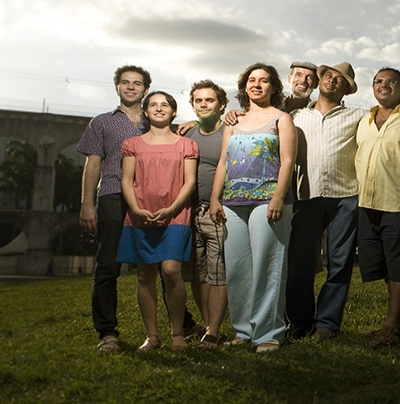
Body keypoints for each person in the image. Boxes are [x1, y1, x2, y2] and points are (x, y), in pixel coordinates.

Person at [210, 63, 297, 354]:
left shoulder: (282, 119)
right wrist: (214, 199)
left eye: (263, 80)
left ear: (274, 87)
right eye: (251, 80)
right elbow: (222, 162)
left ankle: (269, 333)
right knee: (237, 268)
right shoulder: (232, 121)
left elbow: (287, 162)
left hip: (268, 201)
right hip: (232, 202)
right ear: (244, 86)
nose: (256, 85)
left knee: (268, 266)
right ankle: (242, 331)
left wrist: (278, 197)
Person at [286, 62, 364, 340]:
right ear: (319, 82)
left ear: (347, 89)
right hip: (306, 196)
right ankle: (299, 323)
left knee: (340, 262)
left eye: (339, 80)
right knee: (298, 262)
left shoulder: (359, 116)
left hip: (346, 197)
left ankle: (327, 325)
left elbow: (390, 119)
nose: (332, 81)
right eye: (328, 76)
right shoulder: (295, 116)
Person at [116, 91, 198, 352]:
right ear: (146, 111)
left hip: (176, 214)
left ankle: (177, 334)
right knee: (144, 274)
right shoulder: (132, 144)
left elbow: (190, 181)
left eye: (165, 105)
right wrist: (136, 209)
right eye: (153, 105)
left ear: (174, 112)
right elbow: (127, 180)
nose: (159, 109)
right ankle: (152, 336)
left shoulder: (186, 145)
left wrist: (173, 207)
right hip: (141, 215)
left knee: (171, 270)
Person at [77, 65, 151, 352]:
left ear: (145, 89)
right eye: (125, 83)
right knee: (108, 266)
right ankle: (107, 333)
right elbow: (91, 165)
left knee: (157, 263)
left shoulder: (156, 120)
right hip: (112, 196)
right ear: (117, 87)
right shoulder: (102, 122)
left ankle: (177, 327)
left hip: (150, 200)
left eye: (137, 83)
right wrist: (87, 204)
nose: (131, 87)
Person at [355, 67, 400, 348]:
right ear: (372, 88)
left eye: (391, 81)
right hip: (368, 202)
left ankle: (390, 326)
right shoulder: (363, 121)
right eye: (378, 81)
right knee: (385, 266)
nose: (384, 85)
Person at [183, 80, 229, 349]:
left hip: (218, 210)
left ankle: (213, 330)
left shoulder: (230, 131)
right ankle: (206, 323)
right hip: (190, 212)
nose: (203, 104)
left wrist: (217, 201)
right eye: (198, 101)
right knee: (197, 273)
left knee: (217, 271)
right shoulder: (188, 135)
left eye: (209, 100)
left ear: (221, 105)